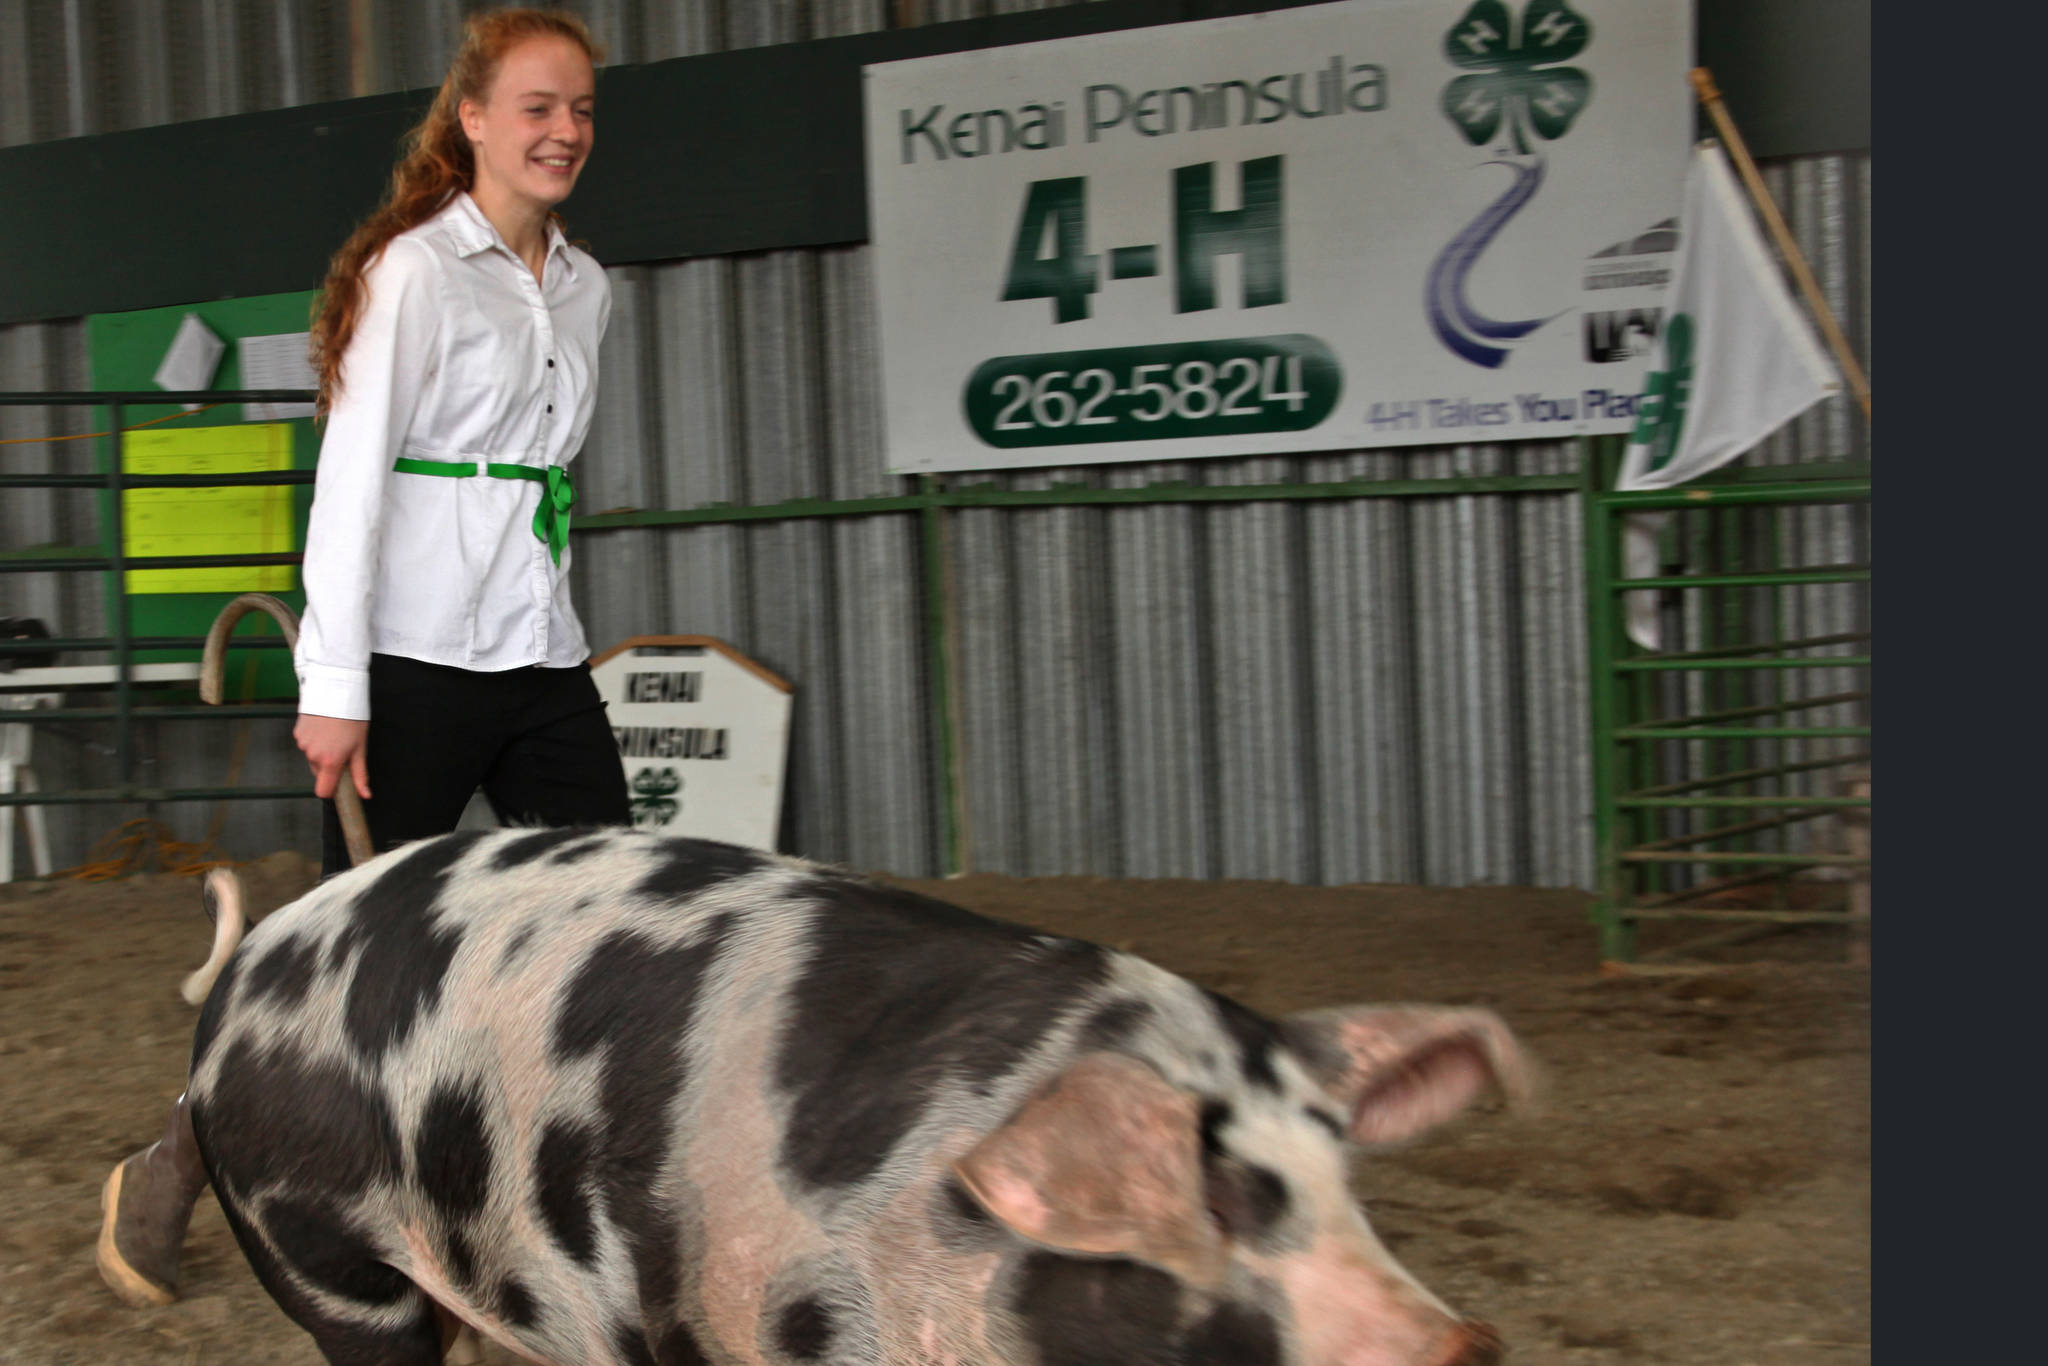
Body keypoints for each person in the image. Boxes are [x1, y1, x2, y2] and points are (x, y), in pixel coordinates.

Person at [97, 6, 627, 1309]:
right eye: (539, 107)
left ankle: (552, 1195)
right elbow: (352, 486)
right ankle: (169, 1168)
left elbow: (536, 481)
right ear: (476, 120)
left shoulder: (589, 285)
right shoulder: (414, 270)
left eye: (583, 111)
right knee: (345, 967)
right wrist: (337, 689)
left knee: (612, 912)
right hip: (410, 661)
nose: (564, 131)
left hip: (540, 650)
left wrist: (549, 607)